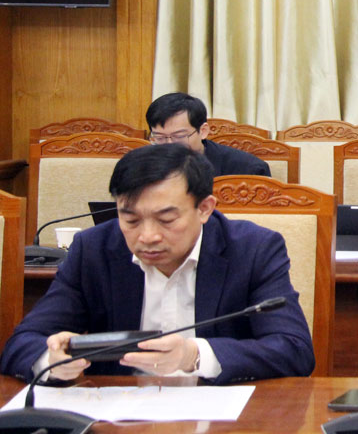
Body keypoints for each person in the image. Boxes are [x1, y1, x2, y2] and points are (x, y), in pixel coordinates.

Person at [0, 144, 314, 384]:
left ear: (204, 209)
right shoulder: (92, 250)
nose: (147, 236)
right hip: (118, 416)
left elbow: (293, 349)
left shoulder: (253, 249)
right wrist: (53, 361)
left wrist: (194, 354)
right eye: (131, 219)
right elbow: (20, 344)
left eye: (166, 219)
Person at [146, 92, 270, 178]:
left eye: (179, 136)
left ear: (203, 131)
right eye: (160, 137)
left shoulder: (248, 169)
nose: (169, 145)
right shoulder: (141, 166)